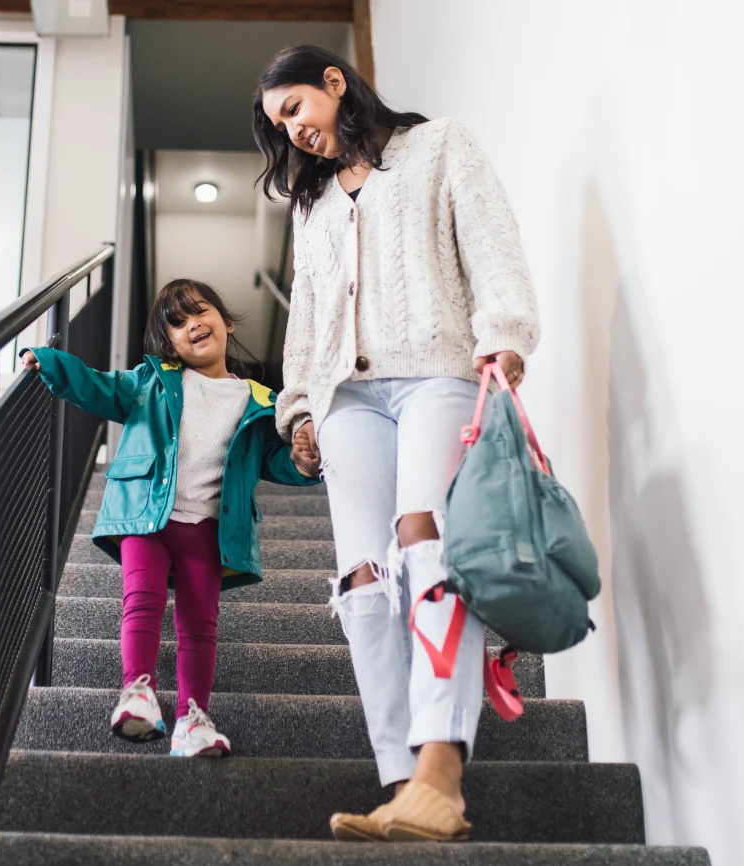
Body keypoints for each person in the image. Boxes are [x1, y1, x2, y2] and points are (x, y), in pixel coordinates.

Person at [254, 45, 541, 841]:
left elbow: (492, 248)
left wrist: (504, 335)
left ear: (334, 84)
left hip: (437, 375)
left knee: (425, 539)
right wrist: (300, 411)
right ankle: (399, 781)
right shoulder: (309, 206)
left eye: (296, 110)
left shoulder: (439, 146)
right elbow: (305, 318)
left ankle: (440, 772)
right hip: (347, 401)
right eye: (282, 126)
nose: (294, 133)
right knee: (363, 579)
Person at [22, 278, 321, 758]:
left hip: (210, 528)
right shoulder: (151, 383)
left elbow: (274, 460)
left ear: (225, 321)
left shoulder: (260, 400)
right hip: (146, 517)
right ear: (170, 344)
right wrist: (52, 362)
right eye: (177, 324)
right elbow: (99, 387)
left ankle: (192, 718)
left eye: (199, 312)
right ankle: (137, 691)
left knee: (200, 623)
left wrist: (305, 464)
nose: (192, 325)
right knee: (142, 599)